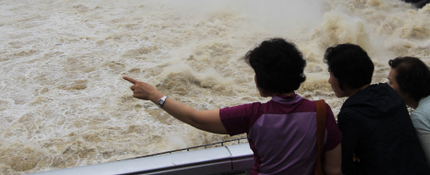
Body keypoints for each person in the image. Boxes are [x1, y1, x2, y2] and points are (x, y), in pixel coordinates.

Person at [124, 38, 342, 175]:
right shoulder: (322, 112)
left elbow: (196, 118)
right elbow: (333, 170)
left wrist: (155, 96)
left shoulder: (253, 115)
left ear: (263, 81)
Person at [323, 43, 430, 175]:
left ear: (344, 78)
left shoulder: (351, 113)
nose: (329, 81)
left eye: (331, 74)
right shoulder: (390, 94)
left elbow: (342, 164)